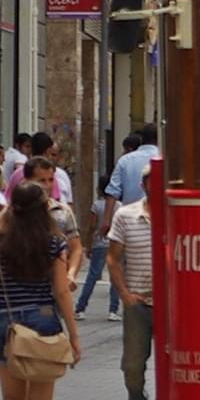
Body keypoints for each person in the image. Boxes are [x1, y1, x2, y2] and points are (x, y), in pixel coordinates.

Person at [0, 183, 77, 400]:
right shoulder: (54, 243)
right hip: (44, 322)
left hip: (6, 322)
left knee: (12, 398)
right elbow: (62, 292)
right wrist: (74, 336)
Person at [80, 127, 155, 318]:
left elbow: (112, 192)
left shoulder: (126, 160)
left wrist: (106, 222)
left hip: (128, 221)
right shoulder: (164, 158)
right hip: (156, 218)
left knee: (123, 266)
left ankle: (131, 306)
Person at [107, 172, 159, 400]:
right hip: (137, 302)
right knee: (132, 365)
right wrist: (124, 294)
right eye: (152, 182)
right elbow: (113, 258)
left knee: (172, 365)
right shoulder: (126, 215)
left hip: (170, 305)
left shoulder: (176, 214)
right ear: (144, 185)